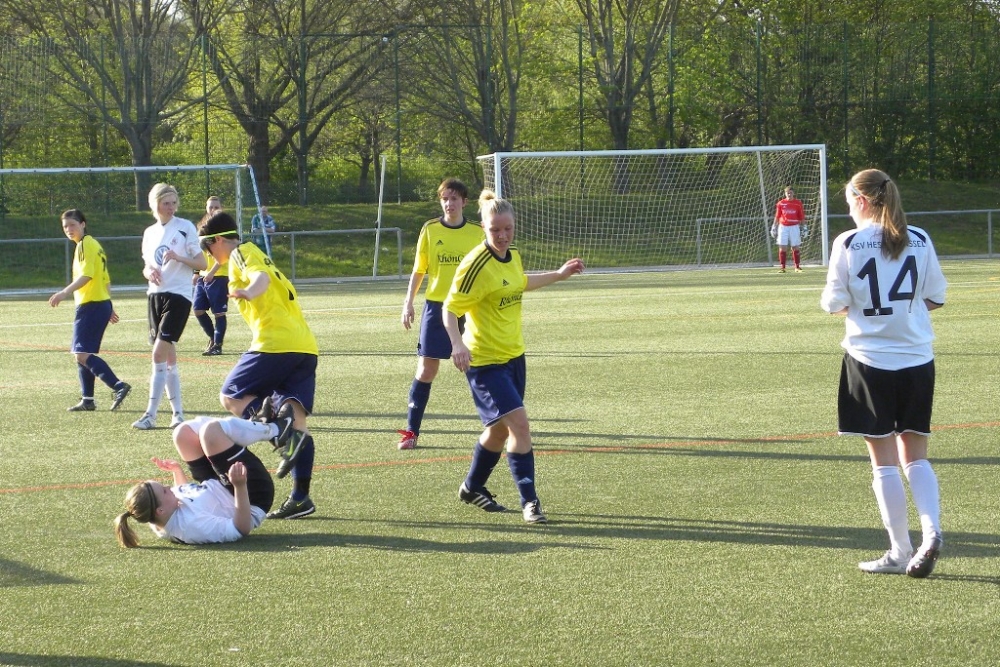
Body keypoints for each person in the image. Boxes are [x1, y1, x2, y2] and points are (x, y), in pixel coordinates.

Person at [820, 168, 947, 578]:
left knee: (884, 463)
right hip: (917, 358)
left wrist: (864, 314)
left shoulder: (849, 242)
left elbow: (832, 303)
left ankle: (898, 550)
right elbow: (935, 298)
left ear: (860, 200)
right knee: (917, 456)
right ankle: (931, 533)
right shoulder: (921, 237)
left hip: (869, 360)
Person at [443, 189, 585, 524]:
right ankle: (530, 502)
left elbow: (519, 282)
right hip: (484, 361)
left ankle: (472, 486)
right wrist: (457, 345)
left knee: (499, 431)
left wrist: (559, 275)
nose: (502, 236)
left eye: (507, 229)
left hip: (514, 358)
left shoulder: (513, 255)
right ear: (483, 228)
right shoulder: (474, 265)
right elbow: (449, 309)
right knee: (520, 425)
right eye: (495, 230)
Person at [198, 211, 319, 520]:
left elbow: (258, 279)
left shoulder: (241, 252)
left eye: (207, 247)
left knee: (231, 395)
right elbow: (261, 274)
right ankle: (301, 498)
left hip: (275, 343)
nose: (208, 254)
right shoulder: (257, 254)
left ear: (219, 241)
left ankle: (274, 429)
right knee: (299, 427)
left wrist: (248, 291)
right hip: (304, 347)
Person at [113, 412, 298, 547]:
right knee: (211, 432)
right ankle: (275, 430)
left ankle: (252, 426)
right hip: (249, 494)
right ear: (160, 510)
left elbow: (189, 500)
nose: (169, 487)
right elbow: (241, 528)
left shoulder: (159, 517)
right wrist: (240, 486)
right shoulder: (192, 528)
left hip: (213, 486)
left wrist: (177, 471)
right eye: (163, 490)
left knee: (182, 433)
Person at [397, 178, 484, 450]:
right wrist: (408, 302)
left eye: (454, 198)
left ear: (464, 202)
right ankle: (411, 432)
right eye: (445, 198)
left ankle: (496, 428)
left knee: (482, 367)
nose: (449, 203)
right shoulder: (431, 229)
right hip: (436, 306)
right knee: (426, 369)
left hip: (469, 307)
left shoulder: (477, 232)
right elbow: (419, 269)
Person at [133, 183, 206, 430]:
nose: (171, 208)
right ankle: (178, 415)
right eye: (167, 203)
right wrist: (149, 272)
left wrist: (179, 257)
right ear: (155, 205)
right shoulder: (149, 232)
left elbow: (202, 262)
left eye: (174, 203)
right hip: (155, 295)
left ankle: (150, 415)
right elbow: (146, 265)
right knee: (169, 356)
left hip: (179, 295)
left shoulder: (185, 228)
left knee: (157, 353)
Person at [48, 209, 131, 412]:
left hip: (92, 305)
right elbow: (106, 279)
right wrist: (108, 305)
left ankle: (118, 385)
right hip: (98, 304)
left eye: (73, 225)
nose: (69, 229)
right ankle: (88, 399)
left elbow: (87, 276)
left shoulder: (85, 245)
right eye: (65, 226)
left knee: (81, 354)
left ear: (83, 224)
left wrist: (64, 292)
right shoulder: (93, 244)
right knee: (81, 352)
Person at [192, 196, 229, 356]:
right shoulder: (202, 227)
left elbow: (224, 255)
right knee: (198, 309)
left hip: (219, 276)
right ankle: (213, 338)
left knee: (218, 313)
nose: (213, 209)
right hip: (203, 276)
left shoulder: (225, 228)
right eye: (210, 207)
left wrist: (212, 273)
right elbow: (197, 253)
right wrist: (196, 272)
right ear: (206, 209)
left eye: (216, 207)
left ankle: (218, 345)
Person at [771, 186, 805, 273]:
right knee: (782, 247)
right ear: (785, 193)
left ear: (793, 193)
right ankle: (782, 267)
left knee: (795, 246)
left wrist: (804, 227)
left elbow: (801, 216)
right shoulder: (781, 203)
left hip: (794, 226)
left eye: (791, 193)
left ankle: (797, 267)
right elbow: (777, 216)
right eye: (787, 193)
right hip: (783, 227)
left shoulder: (798, 203)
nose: (789, 194)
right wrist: (774, 226)